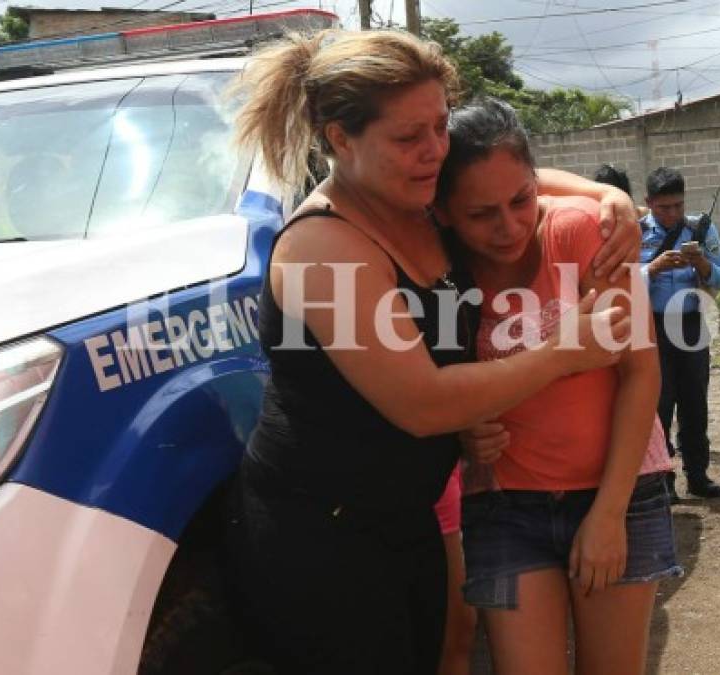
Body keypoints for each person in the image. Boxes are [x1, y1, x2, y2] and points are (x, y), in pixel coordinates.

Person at [225, 29, 643, 673]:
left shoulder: (416, 200)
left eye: (440, 127)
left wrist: (605, 195)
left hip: (406, 517)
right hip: (322, 534)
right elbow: (422, 403)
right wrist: (566, 351)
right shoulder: (324, 247)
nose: (434, 153)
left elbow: (513, 177)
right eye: (408, 138)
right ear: (340, 139)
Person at [436, 99, 680, 675]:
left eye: (521, 200)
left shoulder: (580, 232)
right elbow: (437, 384)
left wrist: (609, 513)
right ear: (443, 212)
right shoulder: (439, 271)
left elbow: (641, 371)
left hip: (619, 491)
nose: (509, 227)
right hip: (503, 506)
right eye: (480, 214)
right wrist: (464, 428)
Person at [639, 166, 720, 500]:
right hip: (651, 326)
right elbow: (619, 279)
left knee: (695, 400)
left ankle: (698, 475)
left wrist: (702, 265)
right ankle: (663, 482)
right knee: (658, 405)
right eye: (664, 208)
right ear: (648, 202)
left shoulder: (701, 229)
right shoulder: (634, 232)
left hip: (691, 323)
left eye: (678, 206)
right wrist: (654, 267)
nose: (672, 214)